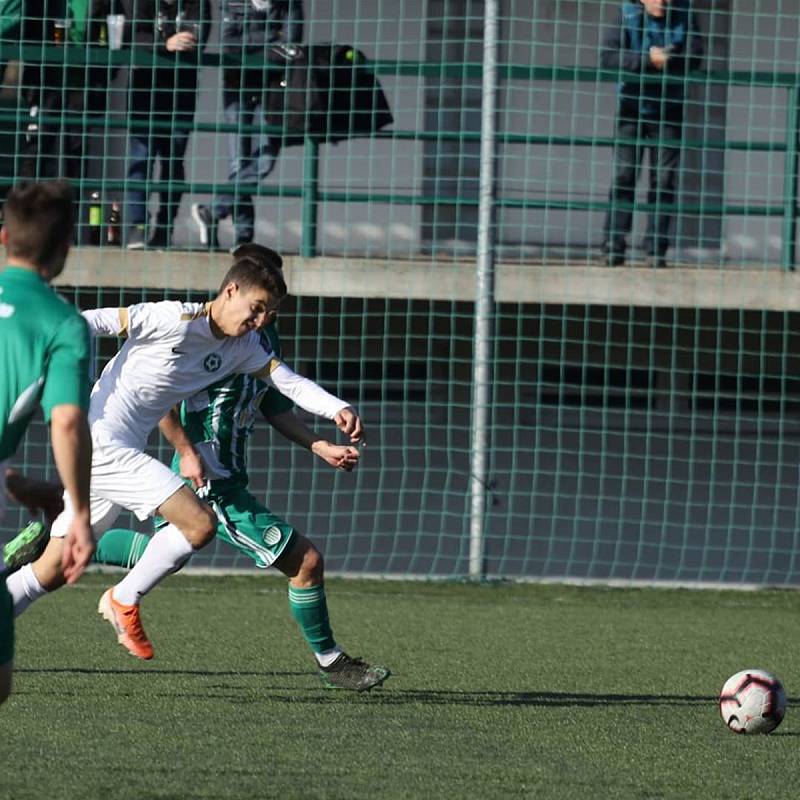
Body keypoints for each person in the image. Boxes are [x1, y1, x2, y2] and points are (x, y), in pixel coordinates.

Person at [4, 244, 391, 692]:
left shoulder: (244, 348)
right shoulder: (174, 317)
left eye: (269, 313)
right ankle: (122, 598)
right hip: (100, 444)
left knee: (51, 570)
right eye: (257, 308)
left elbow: (287, 383)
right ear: (230, 291)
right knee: (199, 524)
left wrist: (337, 408)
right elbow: (94, 321)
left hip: (119, 447)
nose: (261, 320)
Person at [0, 180, 95, 706]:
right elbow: (66, 422)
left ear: (3, 236)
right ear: (64, 252)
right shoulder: (63, 323)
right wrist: (77, 511)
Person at [190, 0, 304, 250]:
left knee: (265, 159)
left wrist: (266, 45)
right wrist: (272, 39)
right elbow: (230, 45)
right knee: (239, 163)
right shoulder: (232, 2)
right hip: (237, 83)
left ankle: (212, 211)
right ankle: (243, 238)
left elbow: (292, 46)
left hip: (273, 86)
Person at [599, 0, 703, 268]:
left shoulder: (685, 13)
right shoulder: (627, 13)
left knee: (664, 179)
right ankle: (614, 243)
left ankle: (656, 247)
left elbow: (695, 55)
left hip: (669, 109)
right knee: (624, 175)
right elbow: (608, 56)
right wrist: (648, 60)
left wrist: (667, 59)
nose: (663, 2)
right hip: (631, 107)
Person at [10, 0, 119, 235]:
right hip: (46, 81)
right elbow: (27, 30)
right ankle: (23, 222)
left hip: (83, 83)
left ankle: (64, 228)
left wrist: (105, 69)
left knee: (74, 156)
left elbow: (114, 33)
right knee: (36, 150)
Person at [122, 0, 211, 249]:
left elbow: (199, 35)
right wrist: (165, 44)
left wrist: (183, 42)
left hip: (181, 89)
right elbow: (134, 35)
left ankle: (164, 227)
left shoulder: (198, 3)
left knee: (173, 160)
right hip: (145, 87)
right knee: (141, 155)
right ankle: (137, 226)